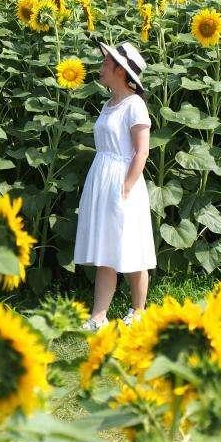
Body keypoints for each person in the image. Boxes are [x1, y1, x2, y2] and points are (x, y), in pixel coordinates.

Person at [74, 41, 156, 330]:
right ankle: (99, 315)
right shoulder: (109, 105)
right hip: (103, 177)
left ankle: (138, 310)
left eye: (106, 62)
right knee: (106, 246)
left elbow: (141, 152)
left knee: (131, 244)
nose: (101, 66)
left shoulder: (135, 106)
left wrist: (125, 188)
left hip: (123, 182)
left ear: (120, 71)